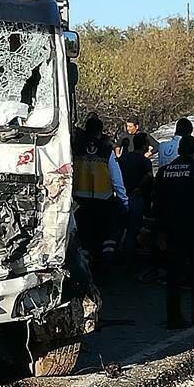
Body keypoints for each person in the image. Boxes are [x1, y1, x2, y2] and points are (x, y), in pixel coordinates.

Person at [153, 134, 194, 329]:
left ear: (179, 150)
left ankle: (173, 318)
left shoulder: (164, 172)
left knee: (173, 275)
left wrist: (160, 231)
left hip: (172, 231)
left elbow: (157, 204)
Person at [73, 113, 128, 275]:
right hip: (103, 201)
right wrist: (124, 201)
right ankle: (104, 268)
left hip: (80, 202)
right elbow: (116, 179)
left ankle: (84, 270)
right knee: (104, 236)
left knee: (84, 238)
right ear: (100, 131)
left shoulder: (76, 148)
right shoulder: (106, 149)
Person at [119, 131, 153, 269]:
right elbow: (149, 177)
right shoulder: (145, 161)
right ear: (144, 145)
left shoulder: (123, 158)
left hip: (121, 197)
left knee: (120, 229)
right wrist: (140, 187)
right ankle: (129, 262)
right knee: (133, 231)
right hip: (136, 198)